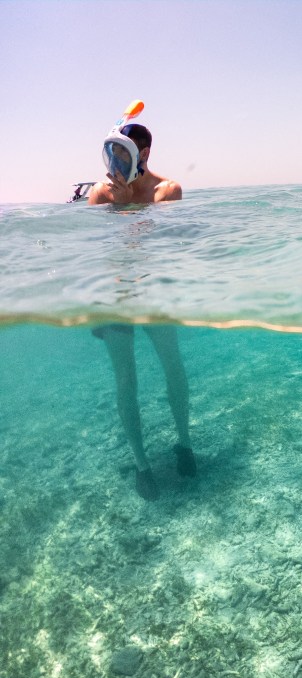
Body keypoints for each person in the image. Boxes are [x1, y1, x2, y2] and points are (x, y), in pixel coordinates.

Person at [88, 123, 195, 500]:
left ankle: (184, 443)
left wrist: (129, 205)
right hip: (116, 296)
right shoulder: (100, 194)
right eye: (113, 154)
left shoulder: (168, 190)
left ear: (144, 154)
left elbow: (163, 243)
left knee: (173, 367)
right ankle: (141, 464)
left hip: (155, 294)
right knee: (125, 380)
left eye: (125, 154)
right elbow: (89, 249)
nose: (116, 163)